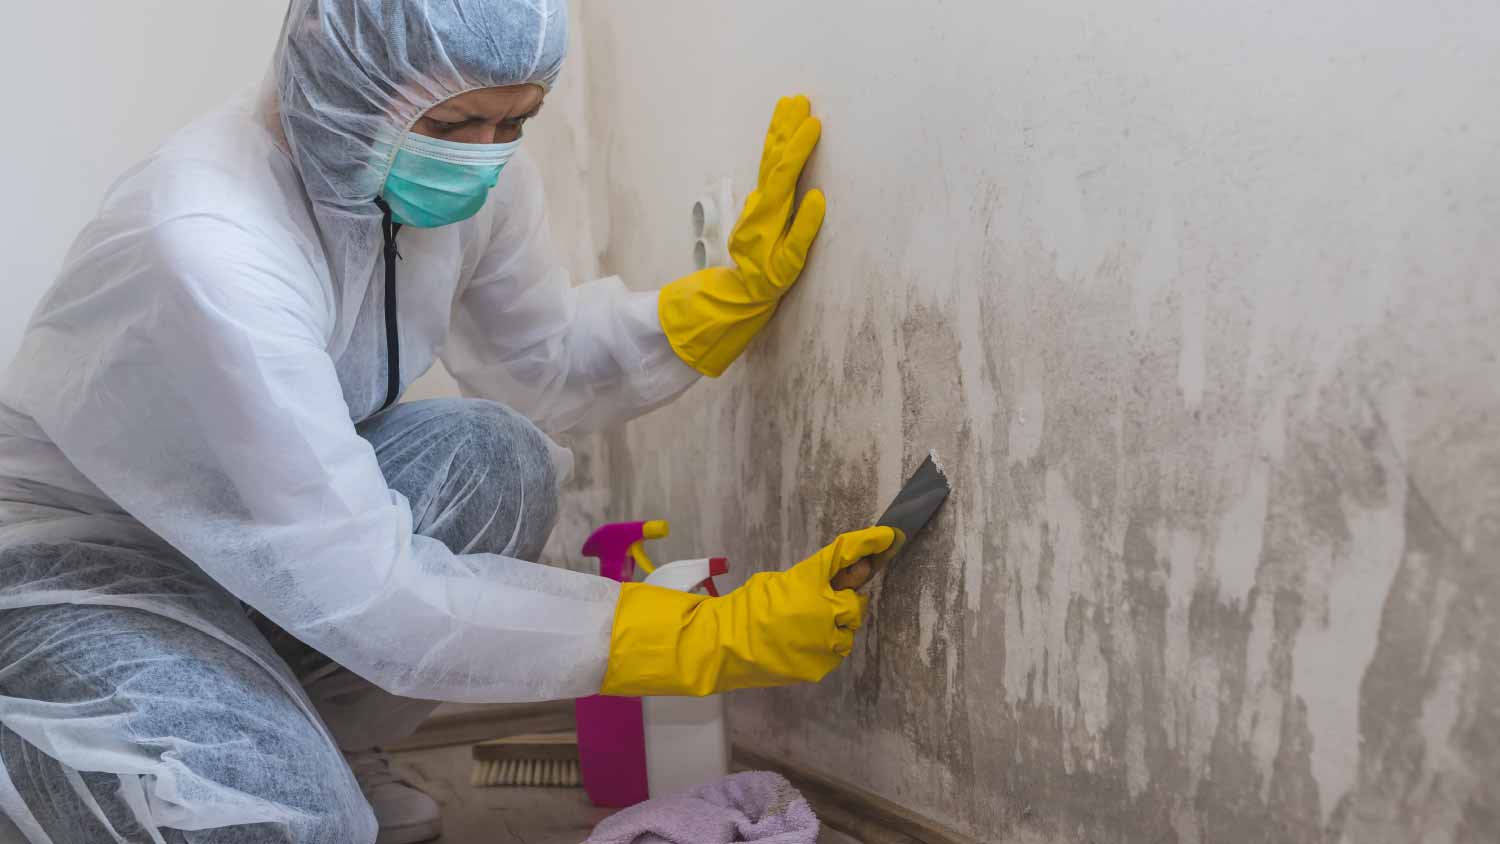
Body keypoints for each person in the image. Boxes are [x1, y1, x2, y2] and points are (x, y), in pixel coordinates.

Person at [0, 1, 894, 843]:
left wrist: (713, 308)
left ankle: (328, 744)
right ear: (342, 87)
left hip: (263, 550)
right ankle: (40, 735)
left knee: (497, 458)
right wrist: (701, 634)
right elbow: (371, 593)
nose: (485, 154)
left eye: (517, 122)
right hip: (89, 567)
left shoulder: (466, 164)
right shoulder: (207, 239)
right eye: (454, 127)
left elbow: (541, 358)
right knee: (288, 823)